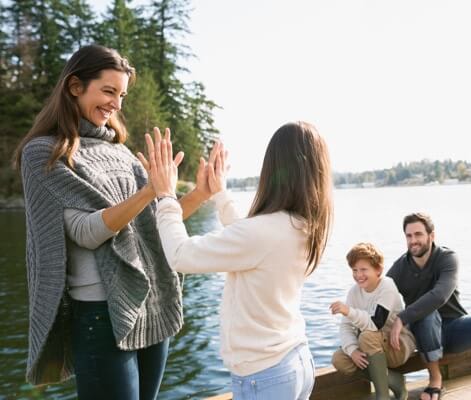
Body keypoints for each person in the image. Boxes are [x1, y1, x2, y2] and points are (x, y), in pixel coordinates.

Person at [14, 44, 213, 399]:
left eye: (121, 94)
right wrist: (150, 190)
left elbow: (151, 227)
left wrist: (200, 194)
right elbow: (87, 233)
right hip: (99, 314)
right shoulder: (44, 152)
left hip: (151, 301)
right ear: (75, 87)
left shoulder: (120, 153)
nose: (117, 104)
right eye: (108, 91)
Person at [139, 121, 333, 400]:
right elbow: (250, 242)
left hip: (265, 376)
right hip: (295, 361)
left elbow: (181, 255)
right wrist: (220, 193)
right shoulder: (305, 225)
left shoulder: (264, 231)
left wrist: (167, 196)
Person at [387, 213, 471, 400]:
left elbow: (439, 295)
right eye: (409, 236)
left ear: (431, 236)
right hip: (422, 333)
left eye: (418, 234)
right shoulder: (400, 267)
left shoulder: (448, 258)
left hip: (453, 329)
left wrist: (402, 317)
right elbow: (381, 296)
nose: (413, 240)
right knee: (426, 315)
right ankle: (435, 379)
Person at [330, 243, 415, 400]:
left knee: (367, 336)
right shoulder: (354, 292)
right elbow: (346, 326)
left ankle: (382, 396)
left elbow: (377, 323)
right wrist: (353, 350)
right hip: (372, 349)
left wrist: (348, 311)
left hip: (397, 346)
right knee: (339, 359)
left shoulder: (387, 286)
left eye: (363, 269)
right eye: (354, 270)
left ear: (378, 270)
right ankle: (394, 380)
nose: (358, 275)